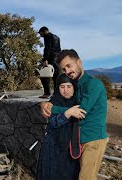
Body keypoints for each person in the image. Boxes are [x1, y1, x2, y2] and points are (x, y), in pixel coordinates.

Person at [41, 49, 108, 180]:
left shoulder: (93, 84)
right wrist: (44, 104)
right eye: (64, 69)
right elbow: (66, 102)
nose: (67, 71)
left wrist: (53, 109)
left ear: (79, 62)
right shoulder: (77, 84)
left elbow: (80, 110)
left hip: (93, 139)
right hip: (78, 140)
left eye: (69, 65)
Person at [36, 74, 82, 180]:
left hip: (72, 146)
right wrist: (68, 113)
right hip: (54, 146)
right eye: (62, 87)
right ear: (58, 88)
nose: (65, 90)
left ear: (74, 87)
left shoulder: (79, 101)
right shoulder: (53, 102)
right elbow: (53, 122)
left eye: (69, 86)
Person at [38, 26, 61, 98]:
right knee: (56, 77)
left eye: (40, 33)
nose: (40, 35)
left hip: (50, 58)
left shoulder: (47, 36)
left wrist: (45, 59)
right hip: (57, 58)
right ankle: (56, 94)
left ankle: (47, 93)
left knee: (44, 75)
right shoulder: (57, 37)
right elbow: (59, 49)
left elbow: (47, 48)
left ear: (44, 31)